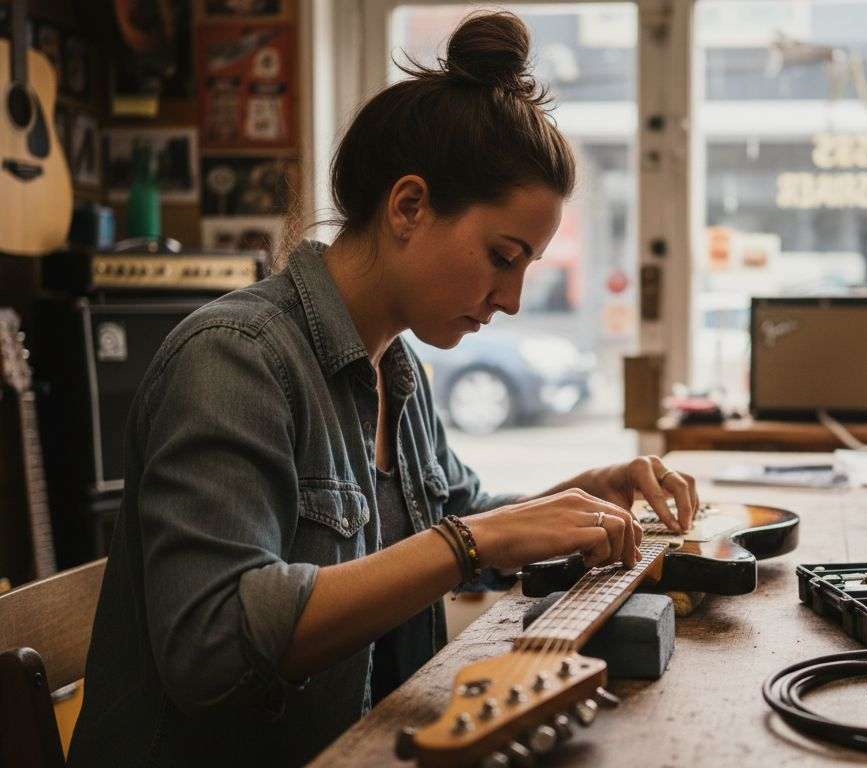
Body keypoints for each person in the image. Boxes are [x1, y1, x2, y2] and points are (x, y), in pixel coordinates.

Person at [67, 12, 698, 766]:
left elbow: (460, 522)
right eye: (504, 256)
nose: (514, 298)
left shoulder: (398, 372)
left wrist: (584, 494)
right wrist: (474, 541)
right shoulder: (235, 361)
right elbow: (213, 646)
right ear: (408, 207)